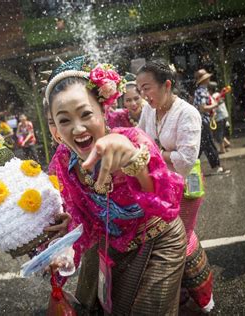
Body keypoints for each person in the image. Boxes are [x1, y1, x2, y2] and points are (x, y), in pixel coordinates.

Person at [46, 57, 186, 314]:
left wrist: (135, 163)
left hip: (159, 240)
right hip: (111, 244)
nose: (77, 128)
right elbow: (79, 215)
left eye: (86, 114)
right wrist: (66, 243)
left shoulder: (131, 140)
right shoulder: (64, 160)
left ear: (103, 111)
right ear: (55, 128)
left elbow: (165, 203)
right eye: (64, 120)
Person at [136, 60, 215, 313]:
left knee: (179, 239)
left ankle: (200, 293)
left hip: (185, 186)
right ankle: (176, 287)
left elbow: (185, 161)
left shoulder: (187, 113)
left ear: (167, 85)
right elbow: (138, 136)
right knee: (161, 238)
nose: (143, 95)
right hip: (158, 184)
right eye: (139, 90)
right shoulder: (149, 109)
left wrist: (156, 152)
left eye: (146, 88)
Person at [193, 69, 230, 174]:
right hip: (202, 121)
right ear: (204, 80)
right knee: (208, 143)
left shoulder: (203, 90)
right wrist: (216, 105)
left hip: (203, 121)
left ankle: (191, 166)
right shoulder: (201, 91)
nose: (209, 78)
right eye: (207, 77)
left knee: (202, 145)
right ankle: (216, 166)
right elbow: (202, 108)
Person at [209, 81, 231, 154]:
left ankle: (222, 149)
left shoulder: (214, 96)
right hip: (224, 115)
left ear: (210, 90)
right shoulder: (218, 94)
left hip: (219, 117)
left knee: (218, 133)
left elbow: (214, 107)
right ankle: (226, 143)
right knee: (220, 132)